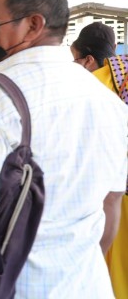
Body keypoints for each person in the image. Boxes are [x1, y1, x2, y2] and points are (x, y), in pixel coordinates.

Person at [0, 0, 128, 298]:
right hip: (88, 286)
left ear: (33, 25)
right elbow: (110, 206)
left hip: (19, 288)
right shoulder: (109, 102)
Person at [72, 22, 128, 299]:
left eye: (75, 60)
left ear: (89, 59)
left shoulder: (91, 86)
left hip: (112, 197)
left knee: (108, 270)